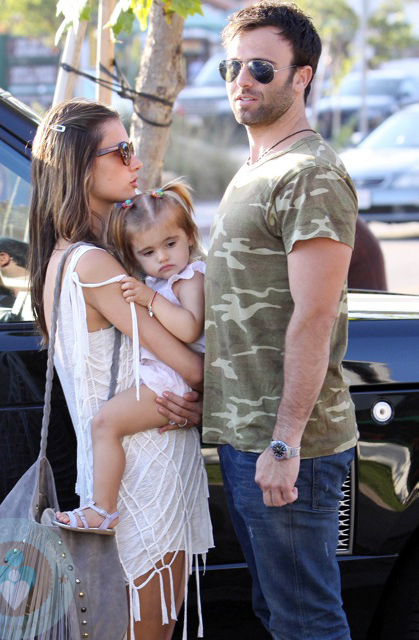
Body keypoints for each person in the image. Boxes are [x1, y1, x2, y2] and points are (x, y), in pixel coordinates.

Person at [28, 98, 213, 640]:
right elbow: (189, 367)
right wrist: (201, 396)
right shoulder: (96, 265)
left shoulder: (63, 257)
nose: (135, 163)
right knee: (147, 629)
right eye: (122, 150)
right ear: (83, 168)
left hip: (117, 469)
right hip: (143, 476)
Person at [201, 2, 358, 639]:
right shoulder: (257, 169)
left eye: (261, 68)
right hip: (245, 438)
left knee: (306, 622)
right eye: (231, 66)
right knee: (274, 612)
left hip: (290, 447)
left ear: (302, 77)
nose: (243, 79)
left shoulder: (311, 175)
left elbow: (315, 316)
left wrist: (285, 445)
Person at [53, 181, 206, 532]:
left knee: (105, 423)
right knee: (104, 425)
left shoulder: (190, 278)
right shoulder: (162, 281)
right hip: (163, 375)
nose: (163, 258)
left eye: (170, 244)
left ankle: (102, 510)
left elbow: (190, 328)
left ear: (190, 237)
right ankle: (101, 506)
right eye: (148, 253)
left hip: (173, 382)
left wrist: (149, 300)